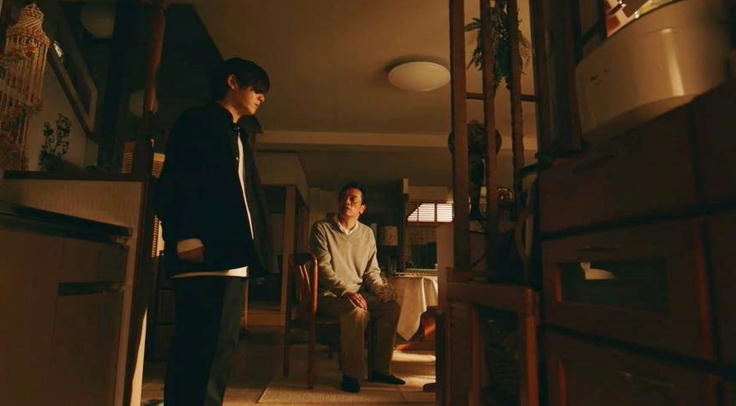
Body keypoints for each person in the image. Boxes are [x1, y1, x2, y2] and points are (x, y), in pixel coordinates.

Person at [154, 58, 269, 406]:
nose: (262, 97)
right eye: (257, 88)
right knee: (198, 351)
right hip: (203, 253)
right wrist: (186, 237)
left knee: (218, 351)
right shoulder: (198, 121)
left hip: (229, 257)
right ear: (232, 82)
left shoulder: (239, 134)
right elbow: (178, 181)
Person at [310, 181, 405, 393]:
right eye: (344, 197)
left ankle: (380, 370)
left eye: (353, 199)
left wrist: (381, 290)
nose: (347, 202)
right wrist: (345, 291)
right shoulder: (321, 229)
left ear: (362, 208)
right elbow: (323, 269)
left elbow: (371, 271)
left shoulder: (367, 234)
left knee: (391, 307)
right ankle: (351, 375)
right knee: (357, 311)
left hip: (357, 295)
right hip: (329, 296)